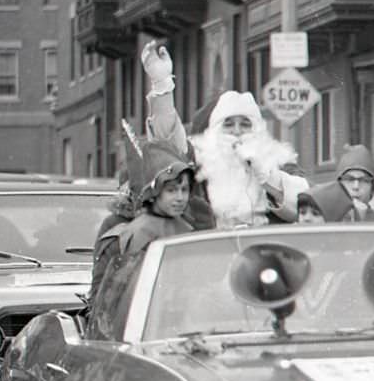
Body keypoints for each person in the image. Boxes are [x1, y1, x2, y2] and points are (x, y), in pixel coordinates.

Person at [141, 41, 308, 228]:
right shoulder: (199, 163)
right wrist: (162, 84)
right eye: (228, 125)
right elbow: (167, 140)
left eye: (245, 124)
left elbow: (306, 204)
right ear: (213, 131)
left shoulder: (280, 162)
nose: (237, 132)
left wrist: (268, 176)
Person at [88, 139, 195, 333]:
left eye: (184, 190)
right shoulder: (125, 235)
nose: (180, 197)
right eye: (171, 190)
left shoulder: (189, 230)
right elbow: (107, 300)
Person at [335, 144, 374, 221]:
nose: (356, 186)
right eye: (349, 179)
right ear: (338, 185)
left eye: (363, 180)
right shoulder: (325, 224)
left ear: (373, 189)